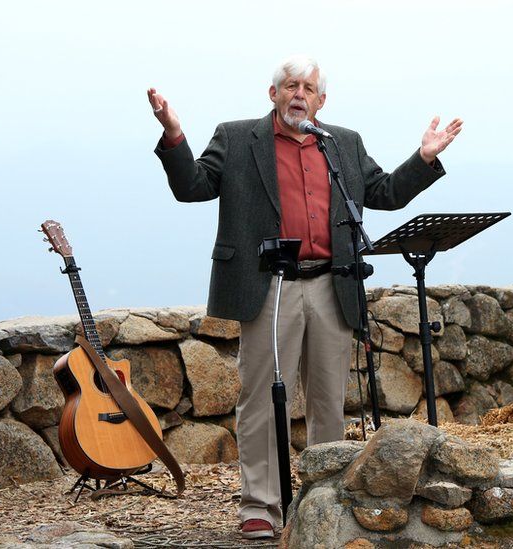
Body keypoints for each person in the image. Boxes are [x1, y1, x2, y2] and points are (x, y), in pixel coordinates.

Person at [147, 54, 462, 539]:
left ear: (321, 101)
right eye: (290, 85)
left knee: (328, 401)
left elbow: (383, 192)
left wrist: (422, 158)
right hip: (268, 283)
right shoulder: (236, 138)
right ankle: (260, 506)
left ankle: (325, 499)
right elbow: (192, 187)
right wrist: (172, 134)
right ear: (272, 93)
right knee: (260, 399)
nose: (299, 94)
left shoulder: (341, 143)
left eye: (308, 88)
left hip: (331, 283)